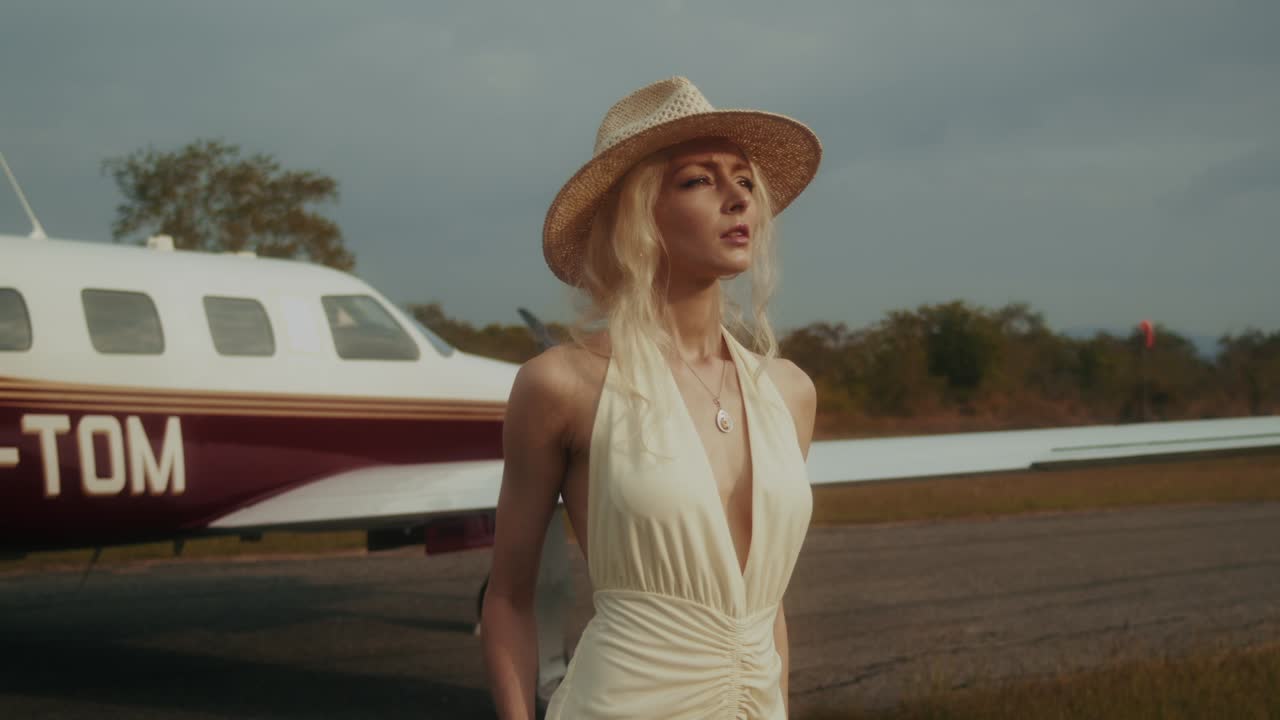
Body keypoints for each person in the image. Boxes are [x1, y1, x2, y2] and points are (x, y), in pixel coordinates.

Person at [482, 76, 822, 719]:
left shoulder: (790, 392)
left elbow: (765, 602)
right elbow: (506, 599)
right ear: (638, 214)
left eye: (745, 181)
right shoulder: (563, 385)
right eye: (699, 180)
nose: (736, 200)